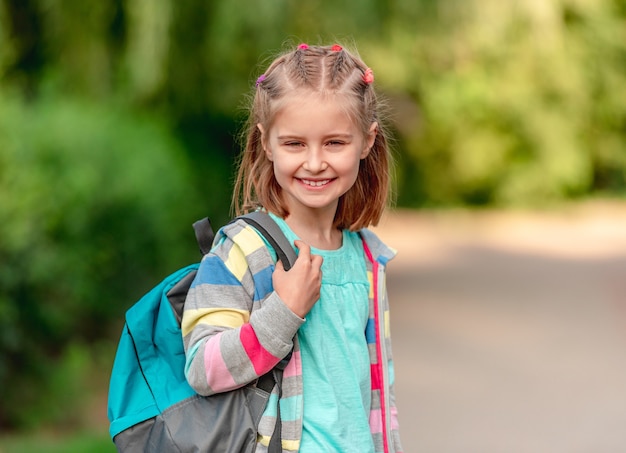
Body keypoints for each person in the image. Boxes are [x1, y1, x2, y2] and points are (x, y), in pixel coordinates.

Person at [182, 43, 403, 453]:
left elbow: (377, 394)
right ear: (266, 143)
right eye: (295, 144)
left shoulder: (367, 257)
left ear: (367, 141)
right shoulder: (243, 250)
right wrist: (283, 314)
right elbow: (203, 367)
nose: (315, 162)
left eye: (335, 143)